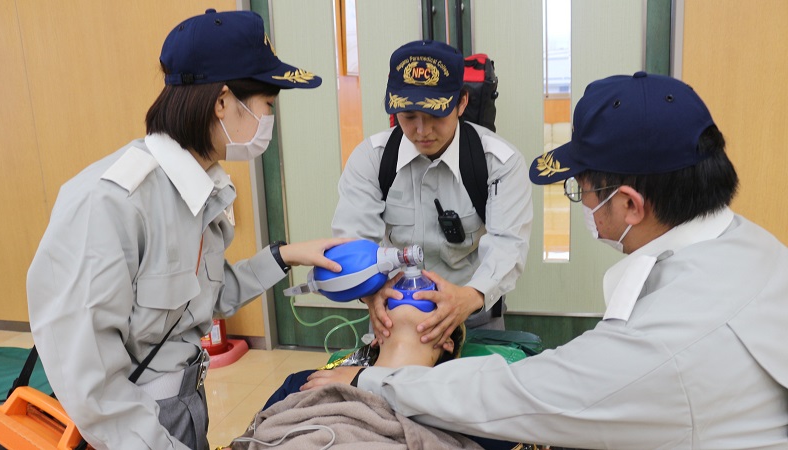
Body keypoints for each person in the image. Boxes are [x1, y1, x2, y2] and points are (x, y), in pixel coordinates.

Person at [305, 72, 788, 448]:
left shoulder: (663, 347)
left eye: (581, 189)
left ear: (629, 204)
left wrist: (377, 381)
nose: (421, 129)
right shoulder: (758, 247)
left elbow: (521, 394)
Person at [26, 9, 349, 450]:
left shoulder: (202, 188)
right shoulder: (111, 202)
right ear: (222, 102)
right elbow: (94, 387)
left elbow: (199, 301)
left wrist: (284, 256)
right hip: (135, 426)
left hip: (183, 407)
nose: (268, 121)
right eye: (267, 106)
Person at [331, 40, 533, 349]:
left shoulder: (499, 162)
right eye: (409, 115)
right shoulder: (371, 159)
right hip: (394, 313)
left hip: (473, 313)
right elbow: (353, 242)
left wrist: (468, 298)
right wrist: (371, 294)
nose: (422, 130)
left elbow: (508, 246)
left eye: (435, 114)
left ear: (461, 103)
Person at [222, 304, 520, 450]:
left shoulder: (457, 397)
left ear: (447, 341)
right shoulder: (305, 380)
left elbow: (512, 431)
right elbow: (253, 438)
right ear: (377, 334)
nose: (411, 290)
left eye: (427, 297)